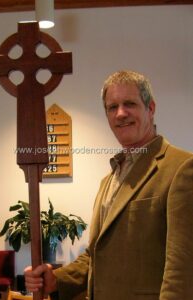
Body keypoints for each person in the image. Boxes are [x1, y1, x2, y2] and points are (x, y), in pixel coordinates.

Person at [24, 70, 193, 300]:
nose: (121, 114)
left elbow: (182, 268)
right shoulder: (109, 180)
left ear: (150, 108)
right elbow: (97, 255)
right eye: (112, 107)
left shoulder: (181, 168)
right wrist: (57, 279)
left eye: (129, 104)